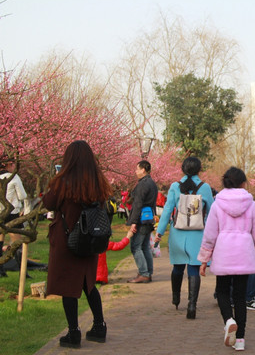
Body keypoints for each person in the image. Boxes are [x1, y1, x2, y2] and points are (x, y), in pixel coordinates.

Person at [42, 140, 112, 348]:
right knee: (88, 283)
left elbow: (49, 203)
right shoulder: (98, 183)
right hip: (90, 239)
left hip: (67, 240)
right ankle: (99, 326)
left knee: (67, 285)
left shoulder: (62, 182)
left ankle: (73, 333)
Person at [198, 167, 255, 351]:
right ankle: (240, 340)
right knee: (240, 296)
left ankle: (228, 320)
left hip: (224, 251)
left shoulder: (217, 203)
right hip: (244, 252)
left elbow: (210, 234)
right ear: (243, 182)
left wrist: (204, 259)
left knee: (222, 291)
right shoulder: (251, 204)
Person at [155, 157, 214, 318]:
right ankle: (192, 305)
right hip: (197, 234)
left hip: (178, 233)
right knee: (194, 268)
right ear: (199, 169)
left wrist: (159, 232)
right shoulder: (205, 188)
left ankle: (176, 298)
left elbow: (167, 211)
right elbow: (211, 212)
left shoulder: (175, 187)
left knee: (178, 266)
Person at [127, 160, 158, 284]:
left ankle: (144, 273)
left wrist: (133, 222)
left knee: (135, 246)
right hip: (148, 218)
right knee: (145, 246)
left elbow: (138, 204)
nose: (135, 171)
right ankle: (148, 272)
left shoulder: (143, 184)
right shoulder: (152, 183)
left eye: (137, 169)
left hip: (141, 220)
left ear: (143, 169)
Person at [0, 160, 28, 277]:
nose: (14, 167)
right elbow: (22, 196)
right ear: (8, 165)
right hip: (12, 213)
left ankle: (1, 271)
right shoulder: (14, 177)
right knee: (18, 243)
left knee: (0, 241)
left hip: (0, 212)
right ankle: (23, 272)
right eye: (13, 164)